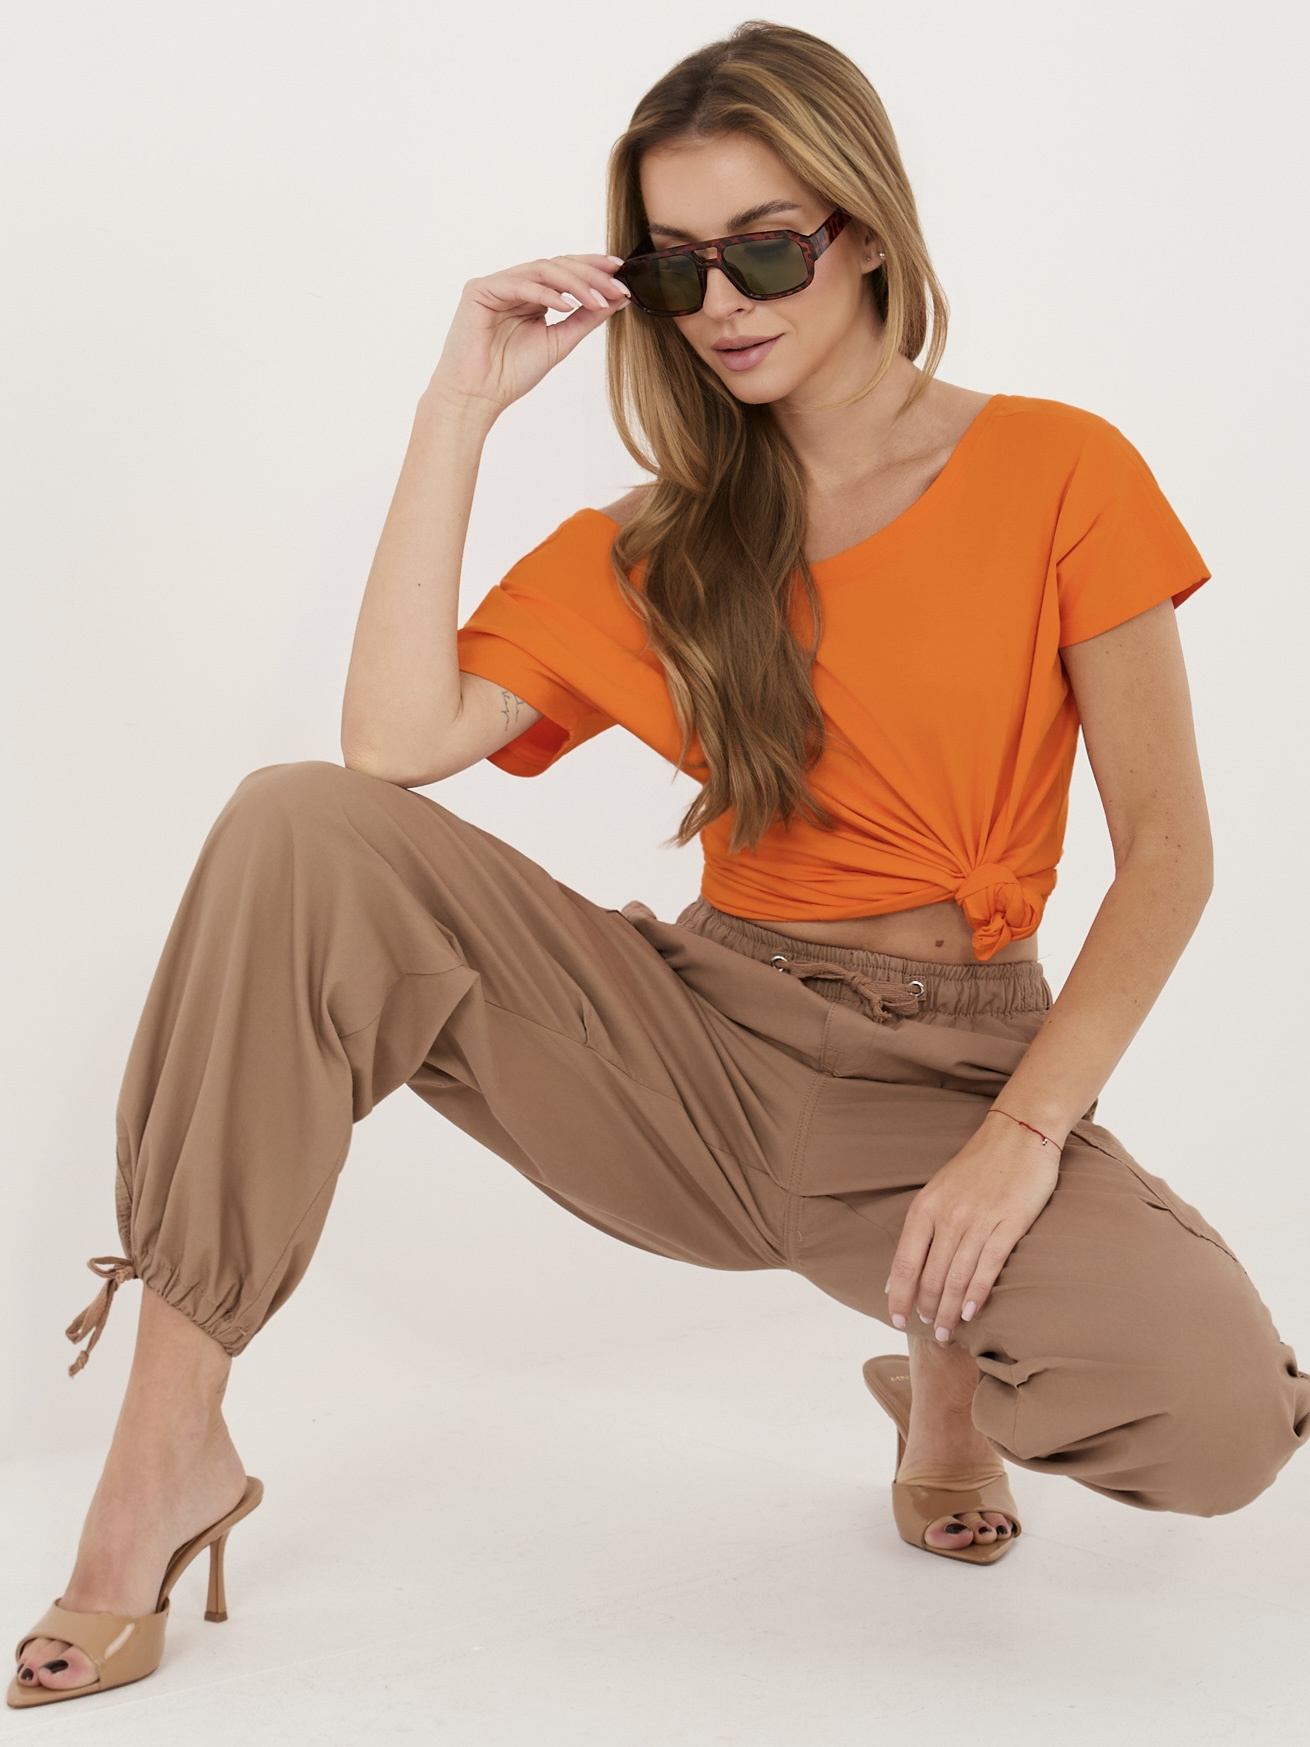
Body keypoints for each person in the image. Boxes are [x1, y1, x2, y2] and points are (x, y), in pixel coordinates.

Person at [11, 18, 1310, 1707]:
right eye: (674, 266)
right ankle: (162, 1460)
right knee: (296, 823)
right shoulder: (664, 541)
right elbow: (389, 746)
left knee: (1220, 1427)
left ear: (864, 231)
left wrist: (1019, 1138)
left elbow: (1170, 856)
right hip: (691, 1058)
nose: (722, 303)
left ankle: (942, 1373)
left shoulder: (1057, 467)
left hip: (951, 1080)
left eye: (764, 247)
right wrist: (458, 407)